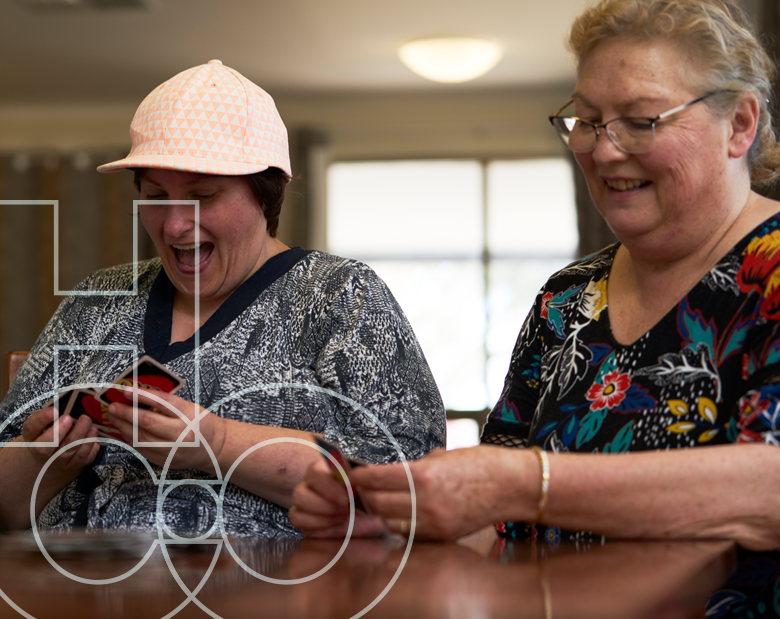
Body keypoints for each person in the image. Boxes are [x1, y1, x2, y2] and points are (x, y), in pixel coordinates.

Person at [290, 0, 780, 550]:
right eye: (588, 122)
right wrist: (391, 518)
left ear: (739, 124)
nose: (605, 150)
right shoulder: (566, 298)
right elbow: (499, 522)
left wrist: (528, 484)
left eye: (641, 121)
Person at [0, 60, 445, 537]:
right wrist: (44, 462)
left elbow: (414, 491)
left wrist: (219, 441)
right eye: (155, 196)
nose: (173, 225)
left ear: (266, 194)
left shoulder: (341, 297)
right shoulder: (97, 299)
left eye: (204, 195)